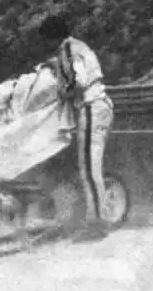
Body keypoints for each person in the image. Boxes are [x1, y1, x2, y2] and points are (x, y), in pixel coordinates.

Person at [38, 14, 113, 240]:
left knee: (89, 168)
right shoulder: (75, 47)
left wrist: (63, 92)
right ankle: (97, 217)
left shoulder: (69, 50)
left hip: (91, 106)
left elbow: (79, 81)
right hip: (96, 105)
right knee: (89, 167)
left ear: (52, 37)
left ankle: (98, 223)